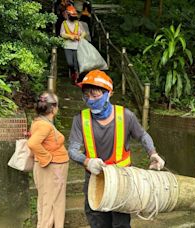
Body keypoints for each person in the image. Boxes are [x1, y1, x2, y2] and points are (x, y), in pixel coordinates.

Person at [67, 70, 165, 228]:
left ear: (109, 93)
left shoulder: (126, 116)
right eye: (86, 95)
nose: (90, 100)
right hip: (95, 180)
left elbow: (143, 136)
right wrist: (87, 161)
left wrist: (153, 153)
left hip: (122, 180)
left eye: (95, 94)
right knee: (98, 222)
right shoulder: (80, 120)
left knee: (121, 224)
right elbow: (72, 149)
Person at [27, 92, 69, 228]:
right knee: (50, 203)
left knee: (52, 201)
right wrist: (47, 158)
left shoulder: (41, 122)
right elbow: (33, 143)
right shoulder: (44, 125)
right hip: (52, 168)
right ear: (53, 108)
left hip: (53, 168)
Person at [60, 5, 86, 85]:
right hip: (67, 46)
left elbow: (84, 32)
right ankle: (73, 74)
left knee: (76, 63)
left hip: (77, 46)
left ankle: (77, 78)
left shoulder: (78, 23)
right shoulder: (64, 23)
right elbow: (62, 34)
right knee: (70, 63)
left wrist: (80, 37)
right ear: (68, 15)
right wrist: (70, 36)